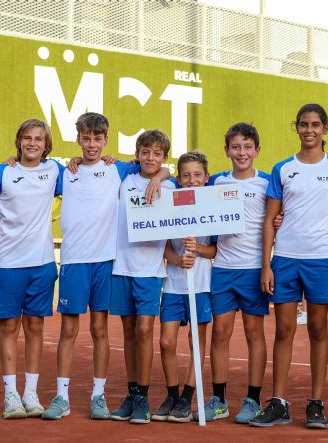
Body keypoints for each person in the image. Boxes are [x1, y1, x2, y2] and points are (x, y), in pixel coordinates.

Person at [40, 113, 168, 421]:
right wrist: (12, 159)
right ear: (78, 139)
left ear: (106, 140)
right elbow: (35, 168)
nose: (92, 144)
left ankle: (98, 396)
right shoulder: (63, 172)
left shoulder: (118, 169)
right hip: (73, 261)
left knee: (99, 330)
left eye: (98, 139)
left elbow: (158, 166)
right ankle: (62, 396)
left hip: (105, 263)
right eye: (86, 138)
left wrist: (159, 178)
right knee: (68, 330)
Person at [251, 103, 328, 428]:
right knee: (284, 331)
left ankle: (316, 403)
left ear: (326, 128)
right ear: (297, 127)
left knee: (319, 330)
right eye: (304, 124)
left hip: (322, 259)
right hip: (286, 260)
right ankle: (278, 402)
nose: (309, 130)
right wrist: (266, 265)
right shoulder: (283, 168)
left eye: (315, 125)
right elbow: (270, 219)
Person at [0, 119, 64, 419]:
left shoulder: (55, 171)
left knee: (36, 328)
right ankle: (10, 395)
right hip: (9, 264)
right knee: (9, 328)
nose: (32, 143)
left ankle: (31, 393)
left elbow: (87, 177)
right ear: (19, 141)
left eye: (38, 139)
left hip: (41, 265)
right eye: (27, 138)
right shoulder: (3, 171)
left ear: (46, 144)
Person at [199, 123, 270, 424]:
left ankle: (253, 400)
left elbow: (281, 216)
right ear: (226, 150)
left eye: (247, 146)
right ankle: (219, 400)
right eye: (235, 147)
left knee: (255, 334)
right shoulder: (215, 182)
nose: (241, 152)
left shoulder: (268, 184)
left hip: (254, 270)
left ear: (257, 150)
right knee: (220, 334)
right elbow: (182, 186)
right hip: (223, 270)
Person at [108, 130, 176, 424]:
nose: (150, 158)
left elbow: (170, 172)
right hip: (121, 266)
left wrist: (159, 178)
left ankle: (143, 398)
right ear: (138, 154)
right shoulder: (124, 178)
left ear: (164, 157)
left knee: (145, 331)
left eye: (157, 154)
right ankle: (132, 392)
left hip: (150, 270)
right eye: (145, 152)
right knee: (129, 333)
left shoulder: (169, 184)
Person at [151, 151, 216, 423]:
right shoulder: (170, 204)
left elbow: (215, 250)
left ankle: (188, 397)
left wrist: (197, 248)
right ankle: (172, 395)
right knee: (166, 341)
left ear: (206, 178)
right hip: (174, 284)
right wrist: (176, 258)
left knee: (196, 341)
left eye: (197, 175)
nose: (192, 180)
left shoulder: (214, 206)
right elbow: (164, 243)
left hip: (201, 284)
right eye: (186, 175)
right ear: (179, 178)